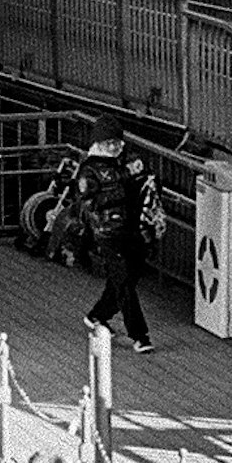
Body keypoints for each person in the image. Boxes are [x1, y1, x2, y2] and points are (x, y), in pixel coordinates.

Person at [79, 136, 160, 353]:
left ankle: (98, 315)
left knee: (128, 276)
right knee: (123, 279)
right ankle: (140, 335)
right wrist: (125, 183)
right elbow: (90, 201)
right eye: (108, 143)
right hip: (106, 232)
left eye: (117, 142)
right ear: (98, 143)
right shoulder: (89, 169)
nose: (114, 147)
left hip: (131, 230)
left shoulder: (126, 160)